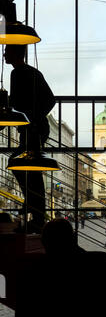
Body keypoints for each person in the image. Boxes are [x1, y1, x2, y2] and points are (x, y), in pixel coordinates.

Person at [4, 44, 55, 233]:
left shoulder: (18, 74)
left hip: (33, 128)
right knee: (30, 170)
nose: (3, 54)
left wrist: (32, 118)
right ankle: (35, 209)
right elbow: (47, 100)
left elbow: (46, 101)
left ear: (16, 53)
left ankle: (35, 209)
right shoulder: (27, 72)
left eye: (7, 51)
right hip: (34, 128)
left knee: (25, 167)